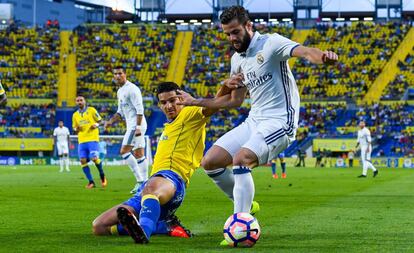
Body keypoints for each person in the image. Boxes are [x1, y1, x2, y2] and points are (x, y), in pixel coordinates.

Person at [177, 5, 338, 221]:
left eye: (235, 32)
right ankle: (246, 204)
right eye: (227, 34)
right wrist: (195, 101)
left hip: (280, 121)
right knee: (210, 162)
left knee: (241, 159)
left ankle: (240, 222)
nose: (232, 38)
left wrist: (323, 57)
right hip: (254, 120)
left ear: (248, 25)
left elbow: (306, 51)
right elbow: (234, 101)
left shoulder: (271, 43)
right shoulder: (237, 60)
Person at [92, 81, 228, 244]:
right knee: (100, 226)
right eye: (164, 102)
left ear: (181, 98)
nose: (169, 106)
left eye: (172, 100)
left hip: (172, 181)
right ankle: (163, 226)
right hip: (151, 186)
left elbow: (214, 105)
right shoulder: (168, 126)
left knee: (150, 188)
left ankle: (144, 232)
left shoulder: (190, 113)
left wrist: (227, 86)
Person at [105, 66, 148, 194]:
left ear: (125, 74)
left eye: (120, 73)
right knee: (139, 154)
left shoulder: (132, 89)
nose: (117, 76)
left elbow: (140, 109)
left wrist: (138, 128)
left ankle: (140, 181)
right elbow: (120, 112)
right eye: (115, 74)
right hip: (132, 125)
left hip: (136, 126)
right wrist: (110, 122)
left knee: (124, 151)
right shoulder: (120, 91)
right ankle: (145, 183)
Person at [72, 96, 107, 188]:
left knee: (94, 158)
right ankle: (91, 182)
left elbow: (101, 121)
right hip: (82, 141)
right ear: (76, 103)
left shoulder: (91, 110)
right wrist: (77, 129)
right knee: (82, 160)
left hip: (92, 139)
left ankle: (102, 175)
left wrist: (97, 124)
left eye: (81, 100)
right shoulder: (75, 115)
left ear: (84, 101)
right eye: (77, 101)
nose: (79, 102)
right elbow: (74, 128)